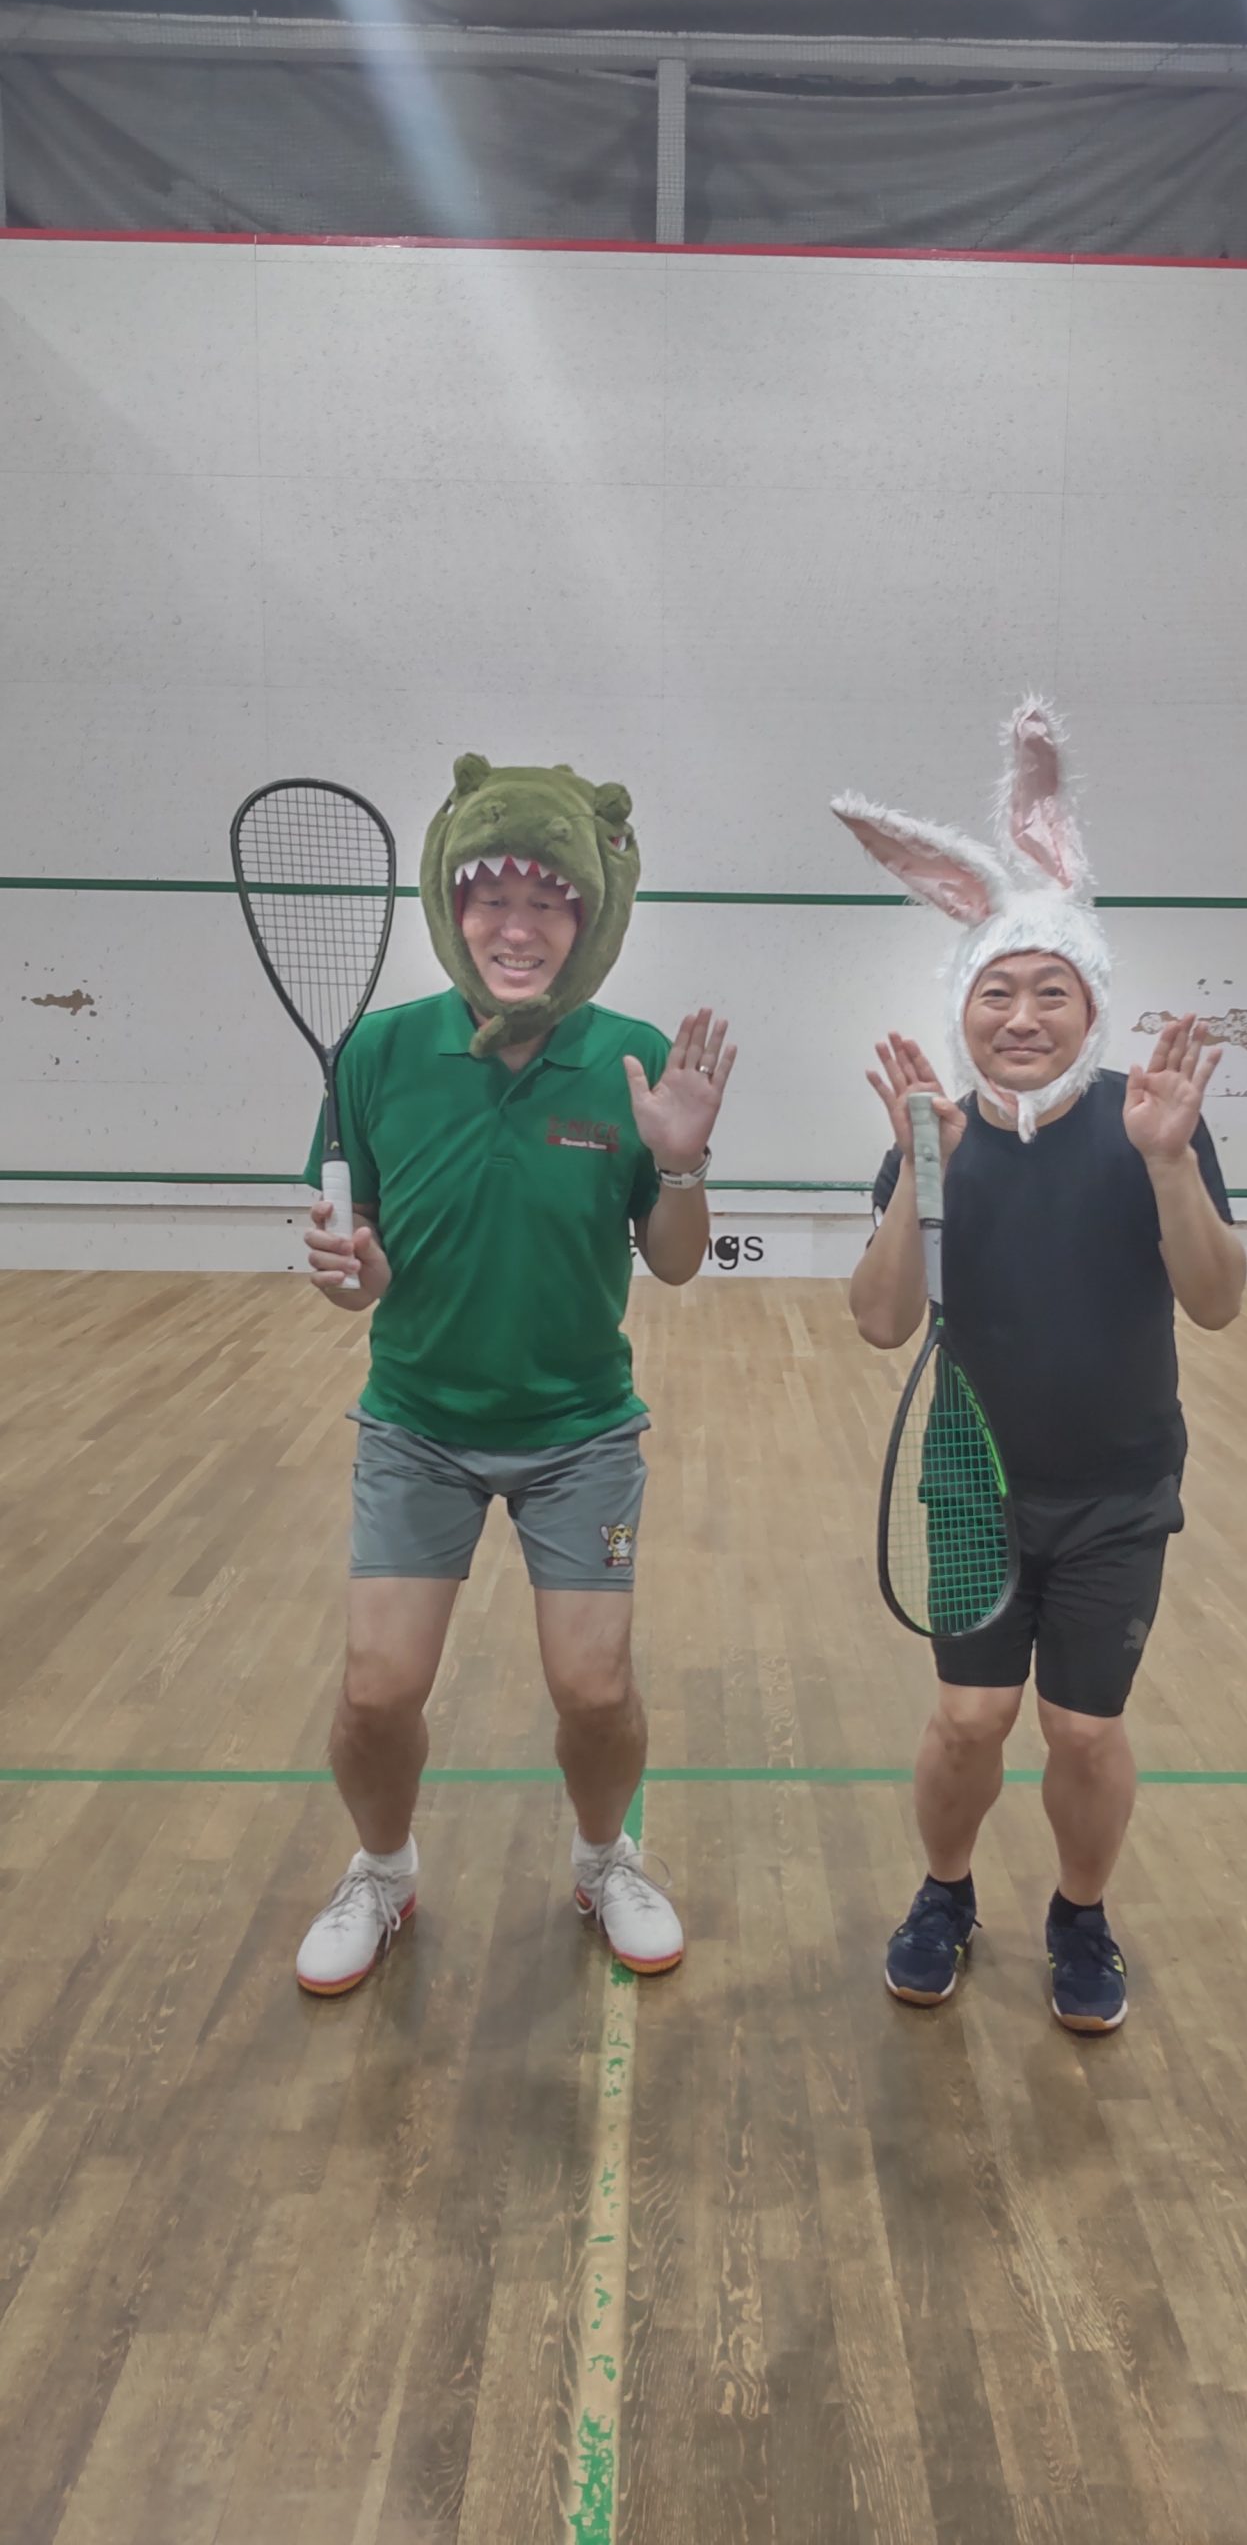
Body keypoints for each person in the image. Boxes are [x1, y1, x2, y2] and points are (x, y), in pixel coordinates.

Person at [297, 755, 735, 1995]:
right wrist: (347, 1266)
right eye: (492, 898)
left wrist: (682, 1164)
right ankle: (382, 1872)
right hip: (416, 1427)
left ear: (588, 923)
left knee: (593, 1691)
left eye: (549, 903)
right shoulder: (378, 1053)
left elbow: (677, 1262)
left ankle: (605, 1859)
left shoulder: (632, 1059)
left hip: (580, 1434)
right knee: (376, 1694)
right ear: (452, 907)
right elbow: (357, 1269)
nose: (517, 927)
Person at [837, 703, 1245, 2032]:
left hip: (1119, 1492)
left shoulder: (1150, 1126)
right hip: (973, 1487)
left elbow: (1218, 1302)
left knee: (1081, 1731)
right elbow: (879, 1321)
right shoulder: (932, 1136)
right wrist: (924, 1171)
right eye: (996, 991)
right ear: (964, 1005)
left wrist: (1171, 1165)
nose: (1021, 1015)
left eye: (1049, 991)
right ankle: (944, 1893)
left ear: (1091, 1006)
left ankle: (1080, 1913)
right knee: (969, 1721)